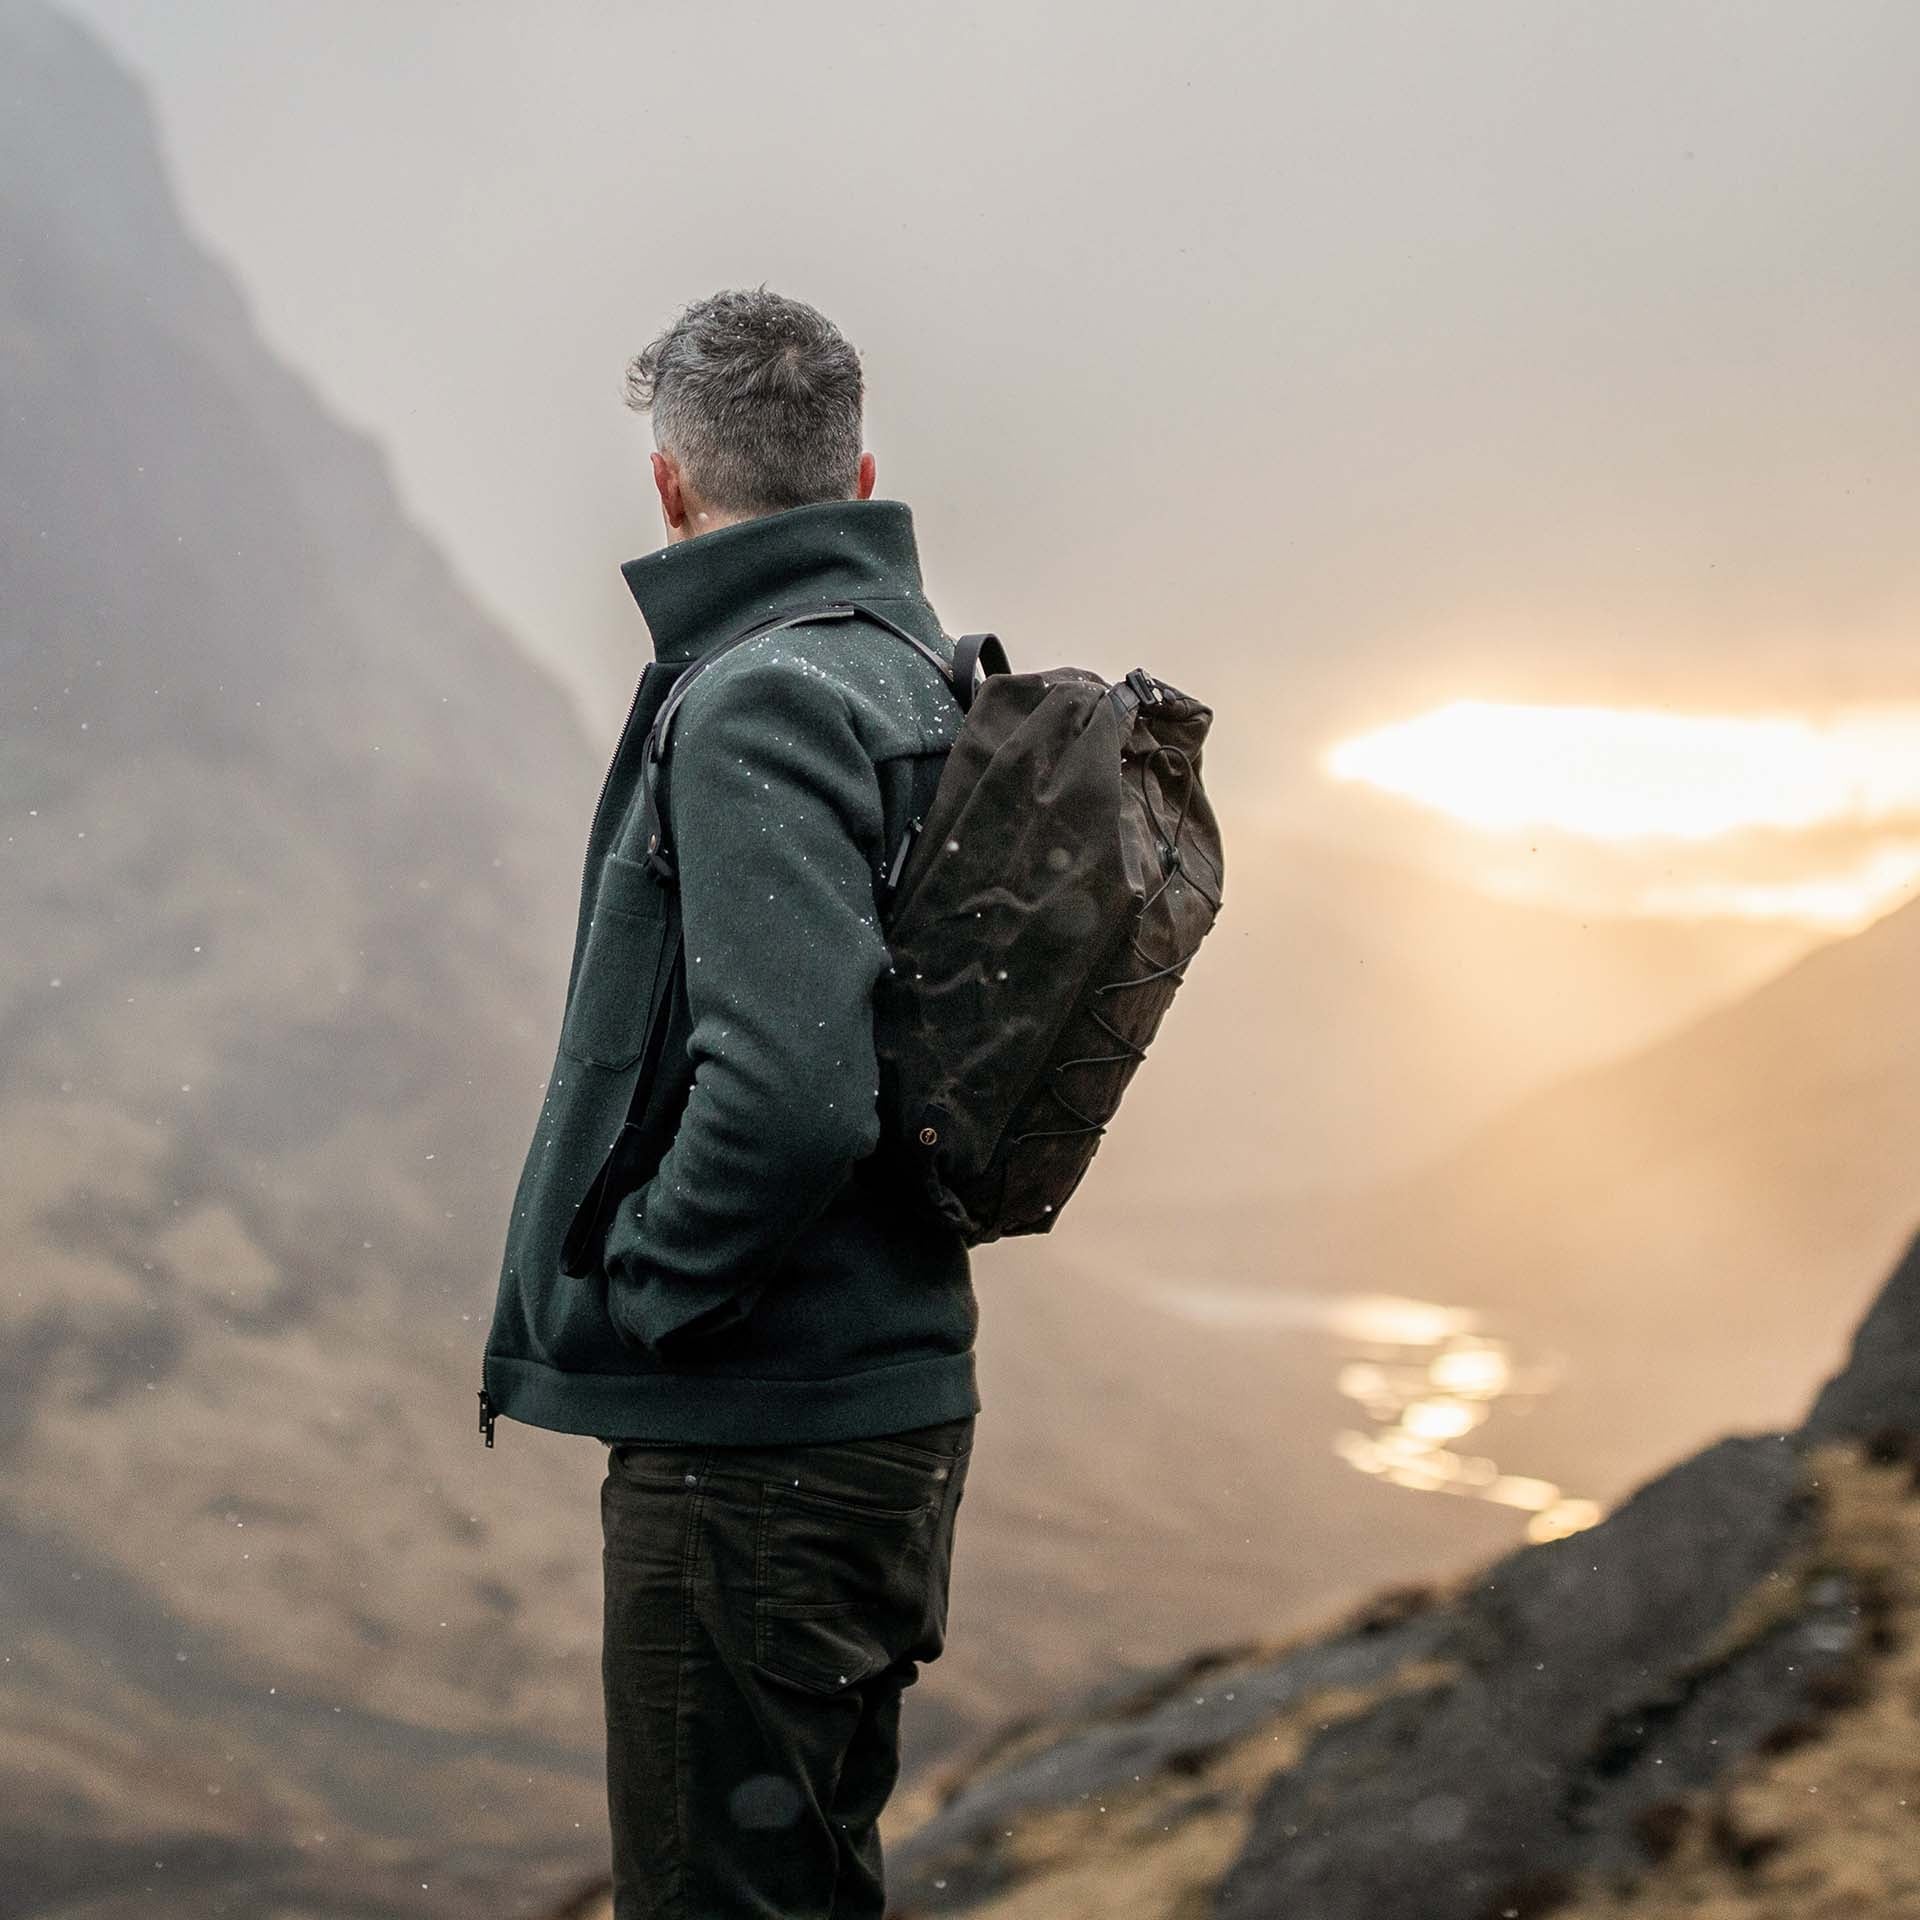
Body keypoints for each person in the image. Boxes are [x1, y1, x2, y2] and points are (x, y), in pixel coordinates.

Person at [479, 287, 979, 1918]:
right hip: (885, 1402)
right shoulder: (916, 670)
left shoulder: (757, 695)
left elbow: (795, 1093)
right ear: (861, 476)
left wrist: (652, 1289)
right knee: (808, 1882)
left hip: (760, 1440)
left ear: (674, 492)